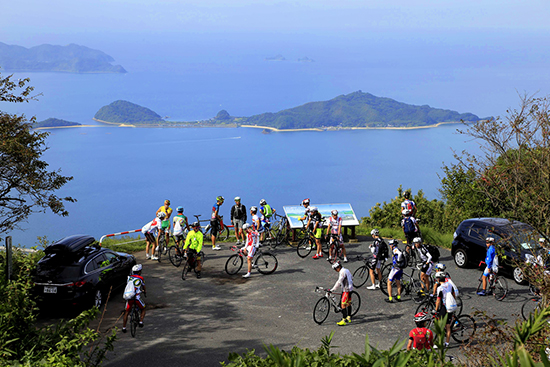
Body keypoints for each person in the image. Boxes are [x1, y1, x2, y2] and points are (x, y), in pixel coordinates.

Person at [434, 271, 457, 348]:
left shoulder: (440, 288)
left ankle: (439, 343)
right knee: (448, 326)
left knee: (440, 326)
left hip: (444, 308)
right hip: (450, 307)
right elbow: (454, 295)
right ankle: (447, 343)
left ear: (438, 279)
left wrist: (436, 310)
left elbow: (438, 300)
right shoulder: (450, 285)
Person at [122, 264, 147, 333]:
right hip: (137, 297)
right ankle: (141, 322)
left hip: (129, 297)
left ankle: (124, 327)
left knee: (126, 312)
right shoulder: (141, 278)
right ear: (139, 272)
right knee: (143, 309)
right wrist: (144, 292)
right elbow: (143, 287)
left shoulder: (129, 278)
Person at [330, 260, 354, 326]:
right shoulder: (346, 270)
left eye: (335, 269)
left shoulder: (342, 272)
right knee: (348, 303)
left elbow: (339, 281)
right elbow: (351, 277)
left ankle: (344, 319)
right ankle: (349, 317)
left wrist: (333, 289)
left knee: (343, 305)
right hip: (350, 289)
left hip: (346, 290)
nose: (335, 270)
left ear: (338, 267)